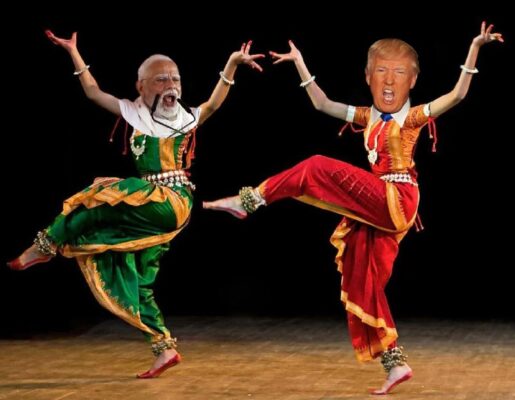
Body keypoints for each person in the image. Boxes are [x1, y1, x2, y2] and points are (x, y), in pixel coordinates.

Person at [203, 21, 503, 394]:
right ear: (368, 77)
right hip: (377, 202)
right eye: (381, 72)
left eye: (398, 73)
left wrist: (474, 48)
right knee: (363, 280)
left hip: (396, 197)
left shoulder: (413, 117)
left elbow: (457, 95)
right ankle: (395, 363)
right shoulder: (367, 116)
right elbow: (322, 103)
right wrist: (300, 63)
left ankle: (250, 200)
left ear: (412, 80)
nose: (389, 81)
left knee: (316, 166)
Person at [7, 30, 264, 379]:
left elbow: (215, 102)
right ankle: (163, 347)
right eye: (161, 80)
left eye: (175, 79)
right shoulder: (132, 112)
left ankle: (46, 245)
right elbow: (93, 92)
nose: (171, 85)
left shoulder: (186, 118)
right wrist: (73, 53)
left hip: (172, 201)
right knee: (139, 281)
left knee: (95, 200)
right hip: (152, 208)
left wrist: (231, 64)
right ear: (141, 87)